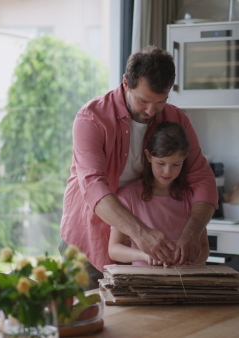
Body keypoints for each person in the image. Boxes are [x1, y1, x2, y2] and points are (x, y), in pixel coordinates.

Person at [59, 46, 218, 288]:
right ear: (125, 83)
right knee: (84, 320)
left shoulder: (177, 119)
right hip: (87, 241)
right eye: (143, 100)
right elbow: (93, 187)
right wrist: (141, 234)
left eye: (160, 102)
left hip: (138, 250)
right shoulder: (91, 118)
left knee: (134, 325)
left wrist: (192, 232)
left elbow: (202, 179)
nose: (151, 111)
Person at [108, 122, 210, 266]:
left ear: (185, 158)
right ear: (148, 156)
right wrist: (144, 255)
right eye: (161, 163)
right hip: (143, 284)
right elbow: (114, 249)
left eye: (176, 164)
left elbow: (204, 247)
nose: (167, 172)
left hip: (183, 283)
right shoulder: (128, 196)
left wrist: (191, 264)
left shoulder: (192, 197)